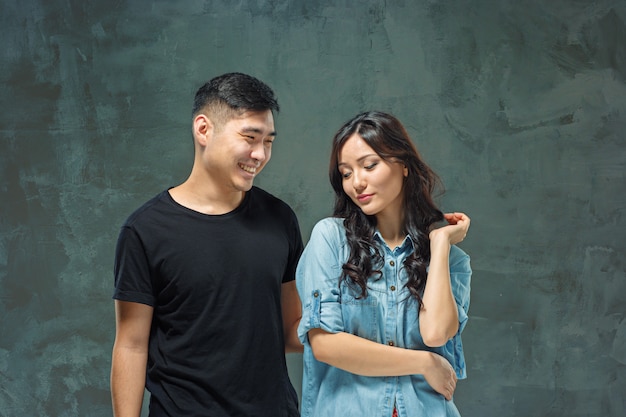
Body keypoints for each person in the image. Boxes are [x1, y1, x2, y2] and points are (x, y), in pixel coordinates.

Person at [110, 72, 304, 417]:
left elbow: (293, 331)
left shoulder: (280, 219)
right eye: (250, 137)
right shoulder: (146, 230)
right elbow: (131, 344)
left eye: (269, 141)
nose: (259, 154)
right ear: (203, 129)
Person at [296, 111, 472, 417]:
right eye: (346, 173)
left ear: (403, 165)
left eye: (369, 165)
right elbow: (325, 345)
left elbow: (436, 334)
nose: (357, 183)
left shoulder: (449, 258)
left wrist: (440, 244)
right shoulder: (330, 240)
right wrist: (423, 362)